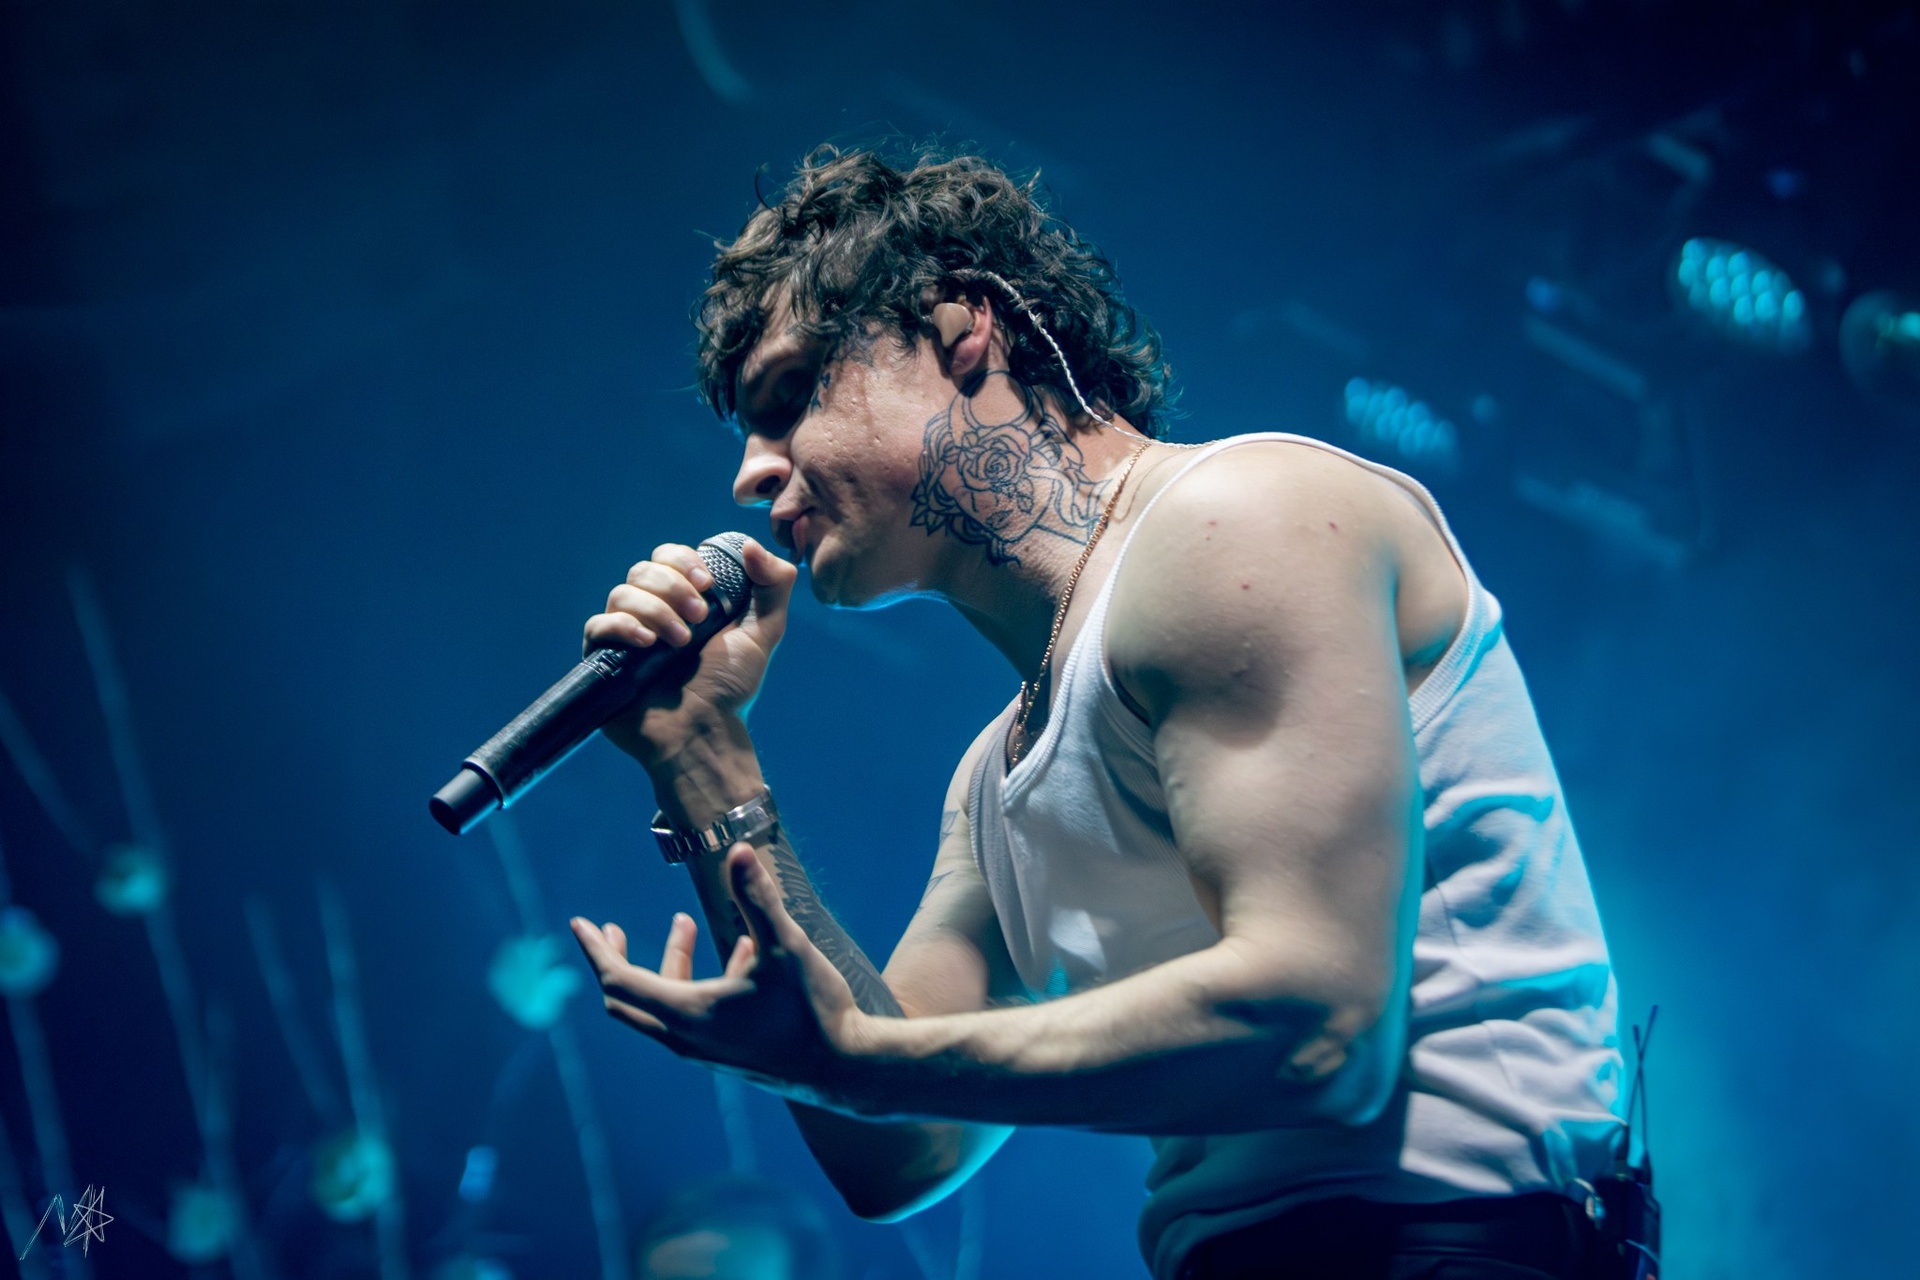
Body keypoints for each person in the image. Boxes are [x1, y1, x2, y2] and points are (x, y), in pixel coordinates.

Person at [568, 145, 1624, 1280]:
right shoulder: (995, 776)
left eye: (788, 399)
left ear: (959, 328)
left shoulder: (1239, 518)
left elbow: (1320, 1029)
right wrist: (703, 757)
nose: (749, 473)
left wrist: (862, 1062)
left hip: (1450, 1245)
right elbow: (903, 1148)